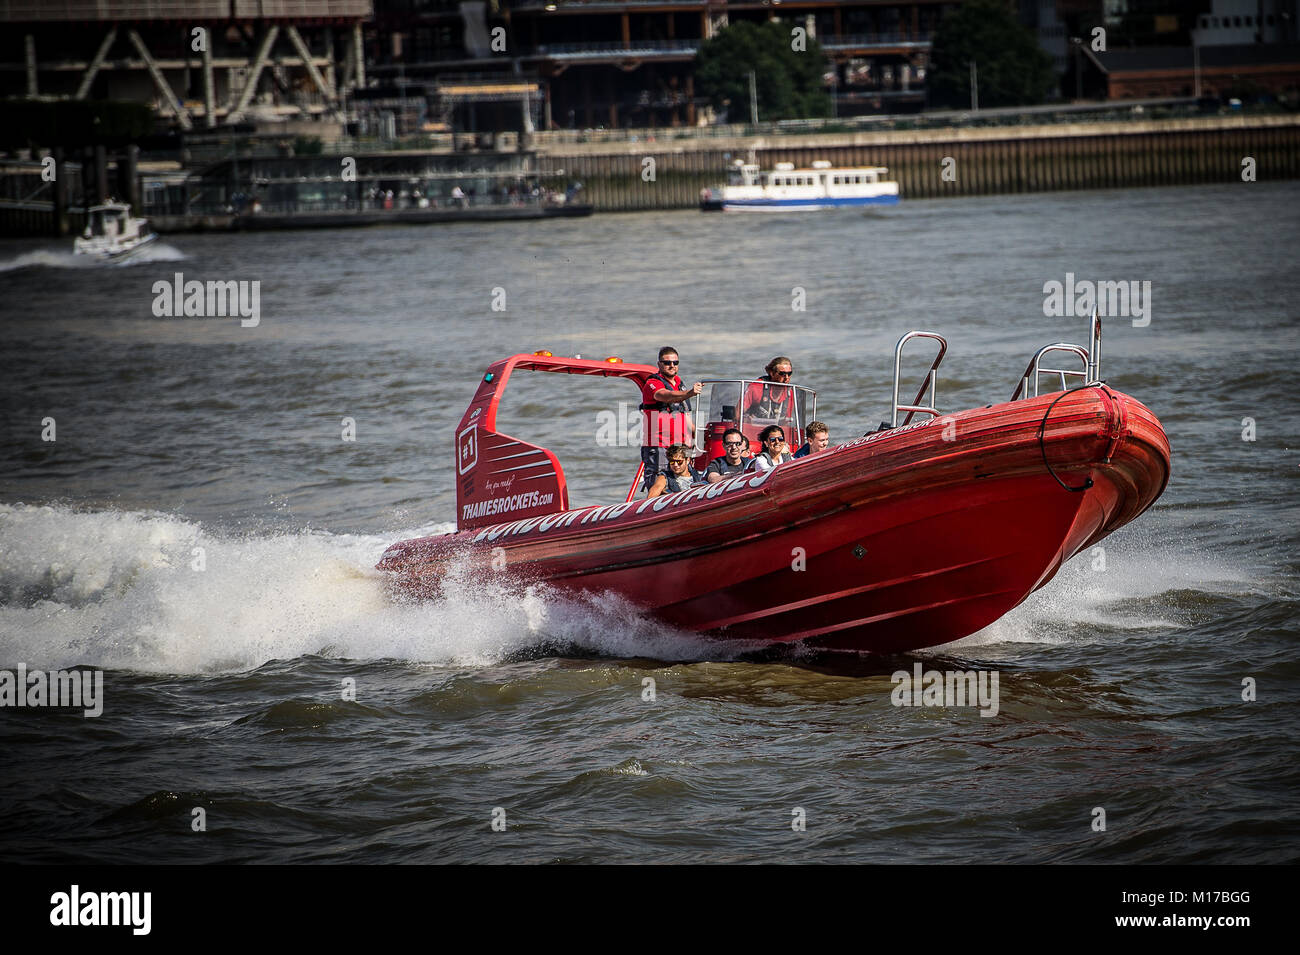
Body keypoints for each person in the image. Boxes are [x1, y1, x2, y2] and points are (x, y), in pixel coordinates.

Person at [641, 347, 703, 492]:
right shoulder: (653, 383)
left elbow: (685, 418)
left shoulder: (679, 383)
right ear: (659, 364)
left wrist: (701, 432)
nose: (672, 366)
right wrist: (690, 393)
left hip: (681, 446)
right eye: (667, 362)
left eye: (675, 362)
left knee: (683, 482)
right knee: (659, 483)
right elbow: (664, 395)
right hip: (660, 445)